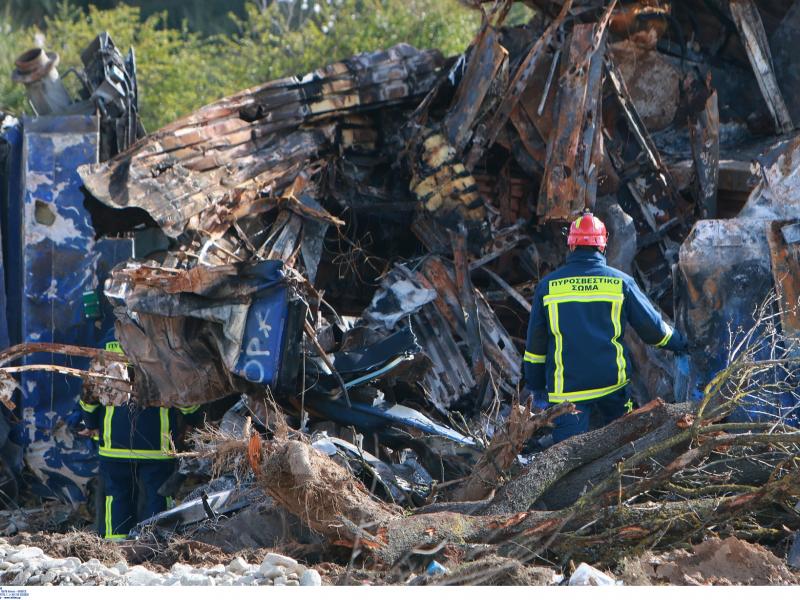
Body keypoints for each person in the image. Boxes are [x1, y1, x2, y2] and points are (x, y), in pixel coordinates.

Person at [523, 210, 687, 443]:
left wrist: (536, 385)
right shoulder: (620, 283)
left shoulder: (548, 287)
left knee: (564, 456)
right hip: (613, 386)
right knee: (622, 445)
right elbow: (654, 331)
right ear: (602, 246)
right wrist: (681, 342)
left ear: (571, 245)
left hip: (568, 393)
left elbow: (535, 349)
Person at [79, 350, 202, 540]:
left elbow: (90, 396)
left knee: (117, 496)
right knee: (158, 495)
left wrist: (91, 424)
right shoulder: (164, 351)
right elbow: (186, 400)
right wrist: (198, 419)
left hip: (115, 446)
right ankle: (154, 541)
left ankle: (116, 546)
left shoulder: (106, 349)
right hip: (156, 447)